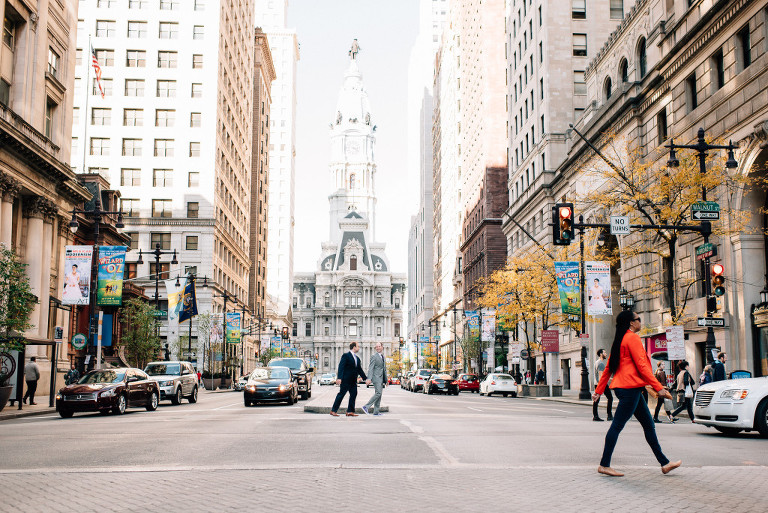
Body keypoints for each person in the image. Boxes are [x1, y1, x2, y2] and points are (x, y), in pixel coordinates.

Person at [593, 311, 681, 477]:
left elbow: (609, 368)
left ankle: (665, 463)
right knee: (617, 426)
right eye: (638, 319)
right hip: (629, 388)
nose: (640, 321)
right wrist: (658, 388)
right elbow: (642, 366)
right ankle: (604, 465)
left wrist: (598, 391)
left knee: (648, 425)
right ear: (631, 323)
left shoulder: (620, 340)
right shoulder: (632, 338)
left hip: (628, 388)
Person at [330, 342, 368, 417]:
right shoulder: (346, 355)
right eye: (358, 346)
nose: (359, 348)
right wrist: (339, 378)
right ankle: (333, 410)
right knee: (341, 394)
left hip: (353, 380)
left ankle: (350, 411)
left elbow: (359, 370)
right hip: (345, 380)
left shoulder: (357, 358)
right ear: (354, 347)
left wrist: (365, 379)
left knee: (354, 394)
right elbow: (341, 366)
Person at [362, 342, 387, 416]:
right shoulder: (374, 356)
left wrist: (386, 380)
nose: (378, 348)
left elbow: (384, 369)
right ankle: (366, 407)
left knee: (379, 394)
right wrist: (369, 378)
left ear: (382, 347)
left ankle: (376, 412)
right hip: (376, 377)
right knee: (378, 393)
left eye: (379, 346)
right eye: (376, 347)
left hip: (381, 378)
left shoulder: (382, 356)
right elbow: (371, 368)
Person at [593, 349, 613, 422]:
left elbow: (602, 376)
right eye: (604, 352)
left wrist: (611, 379)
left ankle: (595, 416)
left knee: (596, 400)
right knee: (610, 398)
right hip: (601, 384)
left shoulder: (596, 362)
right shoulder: (601, 364)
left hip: (597, 384)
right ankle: (609, 415)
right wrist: (611, 379)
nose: (606, 354)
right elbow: (601, 377)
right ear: (601, 354)